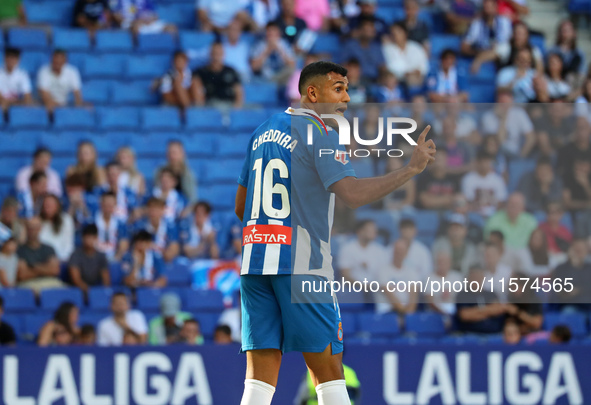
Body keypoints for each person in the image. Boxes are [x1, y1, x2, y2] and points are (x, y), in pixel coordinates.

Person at [234, 60, 435, 404]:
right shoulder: (320, 132)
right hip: (302, 265)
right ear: (312, 93)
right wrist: (410, 170)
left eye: (348, 89)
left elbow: (242, 207)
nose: (346, 98)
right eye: (338, 89)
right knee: (328, 371)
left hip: (255, 263)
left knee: (259, 377)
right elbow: (353, 195)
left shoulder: (262, 131)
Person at [16, 217, 65, 293]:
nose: (32, 231)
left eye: (35, 228)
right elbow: (22, 275)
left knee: (64, 292)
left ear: (40, 229)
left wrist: (33, 267)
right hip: (29, 284)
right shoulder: (19, 250)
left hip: (50, 282)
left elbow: (54, 270)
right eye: (30, 228)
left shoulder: (49, 248)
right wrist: (45, 268)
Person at [455, 266, 506, 334]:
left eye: (479, 277)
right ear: (469, 278)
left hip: (494, 333)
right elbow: (465, 315)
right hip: (471, 333)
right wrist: (489, 310)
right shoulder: (463, 295)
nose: (476, 280)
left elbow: (498, 310)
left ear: (483, 278)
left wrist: (476, 311)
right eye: (474, 277)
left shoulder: (491, 294)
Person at [375, 239, 419, 315]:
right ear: (393, 251)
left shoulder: (412, 272)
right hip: (387, 313)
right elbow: (391, 297)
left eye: (401, 250)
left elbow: (413, 298)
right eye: (397, 250)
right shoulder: (383, 271)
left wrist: (409, 315)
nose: (399, 253)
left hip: (407, 312)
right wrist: (404, 313)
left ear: (406, 253)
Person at [461, 150, 507, 217]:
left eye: (487, 161)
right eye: (482, 161)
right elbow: (468, 202)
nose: (484, 165)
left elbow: (501, 202)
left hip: (494, 216)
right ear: (477, 162)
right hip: (474, 215)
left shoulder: (498, 180)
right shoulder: (468, 179)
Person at [133, 198, 179, 263]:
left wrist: (157, 249)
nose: (153, 212)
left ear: (163, 210)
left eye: (156, 209)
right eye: (151, 208)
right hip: (144, 261)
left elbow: (173, 250)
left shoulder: (170, 227)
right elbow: (137, 249)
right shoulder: (140, 226)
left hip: (164, 261)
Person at [382, 22, 428, 88]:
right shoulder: (387, 49)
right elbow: (390, 67)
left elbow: (423, 67)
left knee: (415, 80)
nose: (395, 35)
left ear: (405, 33)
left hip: (415, 79)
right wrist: (405, 73)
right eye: (392, 33)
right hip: (396, 81)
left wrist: (416, 72)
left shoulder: (416, 48)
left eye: (398, 32)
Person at [68, 224, 110, 293]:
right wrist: (91, 293)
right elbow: (76, 280)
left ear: (96, 238)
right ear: (82, 238)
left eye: (92, 237)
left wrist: (104, 293)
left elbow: (106, 280)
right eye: (87, 237)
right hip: (77, 291)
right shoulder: (75, 255)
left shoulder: (101, 256)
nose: (89, 240)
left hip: (94, 291)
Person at [340, 17, 384, 81]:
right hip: (357, 80)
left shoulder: (377, 47)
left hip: (375, 80)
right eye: (366, 30)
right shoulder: (350, 45)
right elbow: (343, 64)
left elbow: (382, 66)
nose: (369, 32)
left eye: (371, 30)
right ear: (360, 30)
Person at [154, 141, 197, 205]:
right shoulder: (159, 171)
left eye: (174, 153)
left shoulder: (187, 174)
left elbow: (192, 199)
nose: (172, 156)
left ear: (182, 154)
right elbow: (156, 193)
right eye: (169, 153)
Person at [90, 192, 130, 262]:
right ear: (101, 205)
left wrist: (116, 259)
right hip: (94, 258)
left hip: (113, 258)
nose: (108, 209)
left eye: (110, 206)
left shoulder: (120, 224)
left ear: (115, 205)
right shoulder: (92, 222)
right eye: (106, 205)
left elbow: (124, 244)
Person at [548, 19, 586, 85]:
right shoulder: (551, 51)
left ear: (574, 33)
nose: (565, 33)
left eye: (568, 30)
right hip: (554, 84)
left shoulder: (579, 54)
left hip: (573, 85)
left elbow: (582, 73)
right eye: (562, 30)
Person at [39, 194, 75, 262]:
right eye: (46, 205)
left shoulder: (66, 220)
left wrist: (60, 260)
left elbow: (68, 245)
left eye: (51, 205)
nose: (48, 207)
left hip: (62, 260)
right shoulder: (38, 222)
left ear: (57, 206)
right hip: (42, 260)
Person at [111, 0, 176, 35]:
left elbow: (155, 15)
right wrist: (134, 21)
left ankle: (166, 52)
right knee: (136, 26)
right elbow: (116, 16)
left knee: (171, 28)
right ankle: (139, 54)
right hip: (129, 23)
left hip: (147, 22)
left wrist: (148, 20)